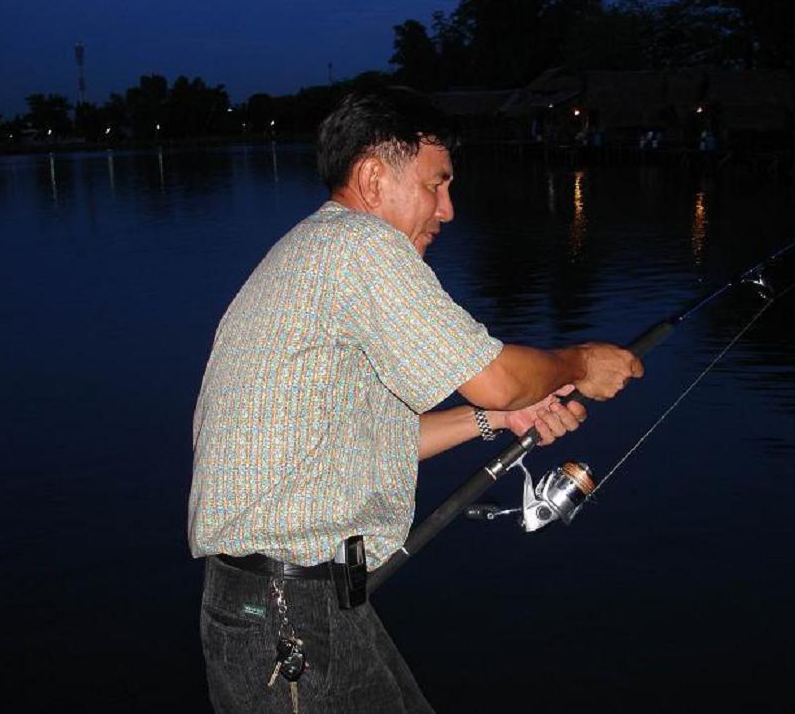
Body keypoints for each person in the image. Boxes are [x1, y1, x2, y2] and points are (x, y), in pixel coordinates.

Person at [187, 86, 643, 713]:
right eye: (437, 185)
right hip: (287, 616)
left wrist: (496, 420)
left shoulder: (317, 252)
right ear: (373, 177)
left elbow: (375, 444)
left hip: (295, 606)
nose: (449, 209)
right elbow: (500, 375)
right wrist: (580, 363)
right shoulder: (358, 248)